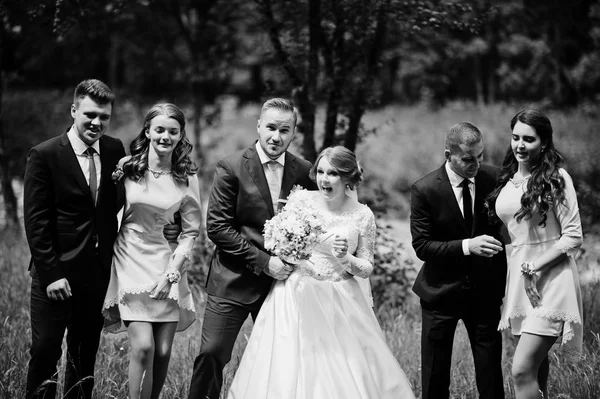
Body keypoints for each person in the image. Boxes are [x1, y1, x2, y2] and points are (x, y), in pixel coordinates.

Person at [226, 146, 415, 398]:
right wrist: (292, 254)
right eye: (321, 172)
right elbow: (283, 243)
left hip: (341, 298)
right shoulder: (301, 201)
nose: (325, 179)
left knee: (343, 366)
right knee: (291, 363)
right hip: (296, 293)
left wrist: (345, 258)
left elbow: (367, 267)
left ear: (349, 178)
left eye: (333, 173)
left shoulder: (362, 215)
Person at [187, 98, 316, 399]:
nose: (276, 136)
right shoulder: (231, 167)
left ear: (293, 132)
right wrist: (264, 261)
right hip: (233, 279)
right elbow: (218, 228)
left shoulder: (304, 171)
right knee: (212, 353)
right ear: (258, 126)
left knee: (283, 361)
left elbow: (314, 223)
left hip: (282, 285)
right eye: (271, 127)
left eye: (284, 130)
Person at [102, 103, 202, 399]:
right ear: (147, 131)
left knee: (162, 350)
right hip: (129, 256)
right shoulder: (127, 167)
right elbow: (108, 210)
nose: (165, 137)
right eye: (159, 130)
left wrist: (171, 275)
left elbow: (190, 231)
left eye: (173, 131)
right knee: (143, 346)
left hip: (164, 261)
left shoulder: (187, 177)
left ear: (181, 135)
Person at [486, 109, 583, 399]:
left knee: (521, 371)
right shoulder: (507, 179)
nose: (520, 145)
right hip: (520, 281)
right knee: (536, 370)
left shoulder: (557, 177)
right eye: (515, 137)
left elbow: (574, 235)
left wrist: (533, 267)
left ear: (544, 142)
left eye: (529, 139)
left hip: (552, 279)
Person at [410, 122, 507, 399]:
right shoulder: (424, 189)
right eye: (467, 159)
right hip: (440, 293)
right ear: (448, 155)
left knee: (490, 376)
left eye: (480, 156)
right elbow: (422, 246)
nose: (476, 163)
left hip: (485, 292)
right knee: (435, 376)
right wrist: (467, 246)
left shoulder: (496, 180)